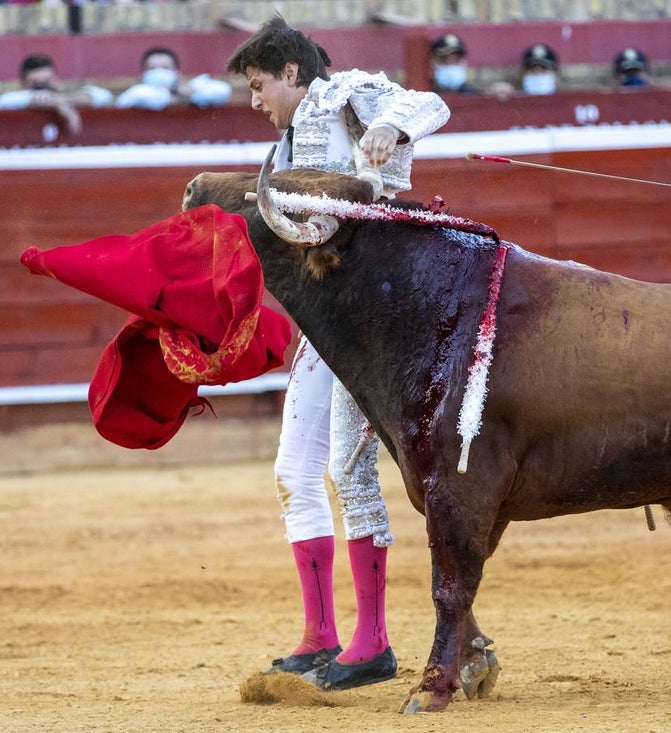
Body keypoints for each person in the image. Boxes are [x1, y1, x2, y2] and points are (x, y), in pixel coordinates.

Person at [224, 15, 450, 691]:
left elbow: (429, 102)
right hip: (325, 319)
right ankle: (321, 634)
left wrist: (392, 128)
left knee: (351, 473)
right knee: (296, 470)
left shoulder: (346, 90)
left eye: (260, 85)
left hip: (370, 311)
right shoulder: (283, 148)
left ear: (292, 73)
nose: (254, 100)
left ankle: (373, 641)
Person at [0, 53, 113, 135]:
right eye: (35, 83)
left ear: (56, 80)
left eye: (46, 81)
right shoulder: (14, 103)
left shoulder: (65, 100)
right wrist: (56, 103)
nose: (42, 87)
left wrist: (61, 101)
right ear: (24, 85)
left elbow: (105, 96)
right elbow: (2, 101)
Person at [116, 46, 232, 110]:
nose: (159, 72)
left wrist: (186, 92)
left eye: (165, 68)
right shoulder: (137, 92)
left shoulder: (191, 88)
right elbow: (139, 97)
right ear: (144, 74)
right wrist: (174, 95)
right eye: (152, 68)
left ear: (176, 73)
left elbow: (223, 91)